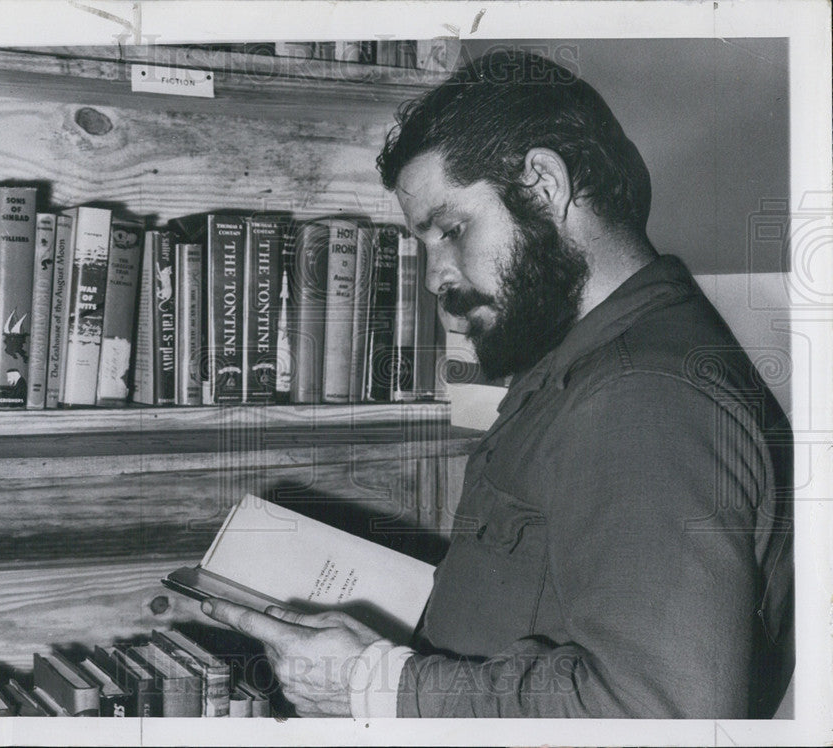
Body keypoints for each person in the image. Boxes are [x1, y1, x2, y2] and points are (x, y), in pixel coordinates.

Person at [180, 50, 794, 718]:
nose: (435, 273)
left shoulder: (643, 394)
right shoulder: (589, 364)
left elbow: (661, 712)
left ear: (543, 185)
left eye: (450, 228)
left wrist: (370, 683)